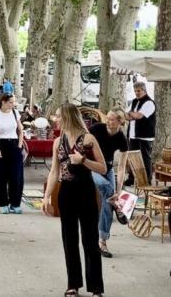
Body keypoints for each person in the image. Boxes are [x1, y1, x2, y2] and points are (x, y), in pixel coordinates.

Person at [42, 103, 107, 297]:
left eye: (59, 116)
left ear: (69, 117)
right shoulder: (57, 142)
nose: (56, 119)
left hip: (86, 190)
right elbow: (54, 171)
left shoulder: (88, 139)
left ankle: (96, 287)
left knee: (90, 240)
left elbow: (103, 168)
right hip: (66, 192)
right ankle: (73, 284)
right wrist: (46, 197)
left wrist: (84, 161)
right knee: (69, 240)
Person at [89, 108, 129, 258]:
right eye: (108, 117)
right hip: (91, 166)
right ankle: (118, 205)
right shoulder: (97, 129)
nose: (108, 121)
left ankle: (102, 242)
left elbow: (122, 166)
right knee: (107, 188)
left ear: (120, 121)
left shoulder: (121, 138)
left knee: (108, 204)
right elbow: (82, 140)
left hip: (108, 168)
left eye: (112, 119)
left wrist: (119, 190)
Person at [0, 93, 25, 214]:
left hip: (14, 144)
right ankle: (3, 202)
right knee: (1, 175)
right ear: (3, 102)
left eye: (13, 102)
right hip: (1, 144)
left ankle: (15, 203)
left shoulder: (15, 113)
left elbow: (20, 131)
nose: (13, 104)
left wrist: (19, 146)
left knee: (16, 175)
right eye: (10, 102)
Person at [125, 81, 156, 185]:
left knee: (145, 158)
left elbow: (138, 116)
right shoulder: (134, 101)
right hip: (133, 135)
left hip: (145, 136)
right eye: (135, 91)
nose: (137, 93)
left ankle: (147, 179)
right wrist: (130, 115)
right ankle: (132, 178)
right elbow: (128, 116)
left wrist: (131, 114)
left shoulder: (149, 102)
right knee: (132, 158)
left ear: (144, 90)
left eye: (138, 91)